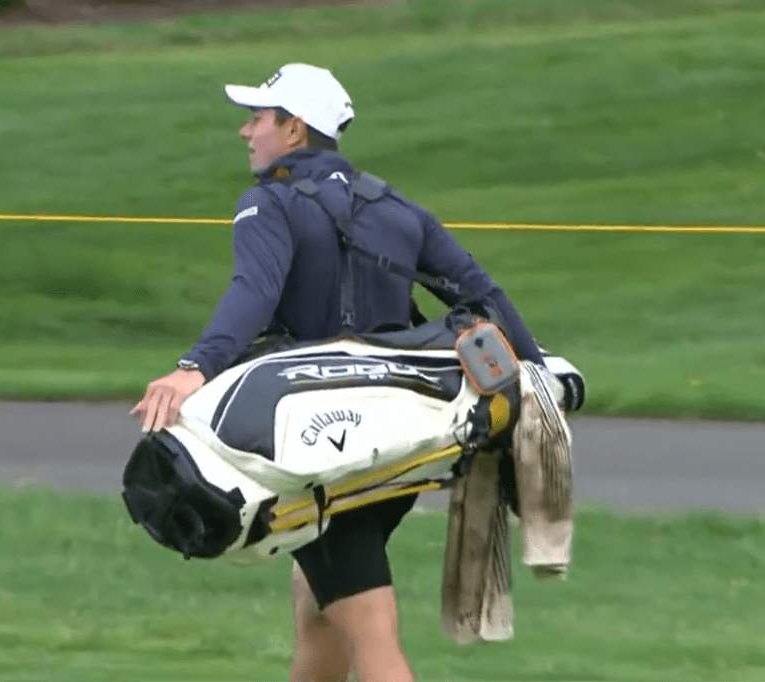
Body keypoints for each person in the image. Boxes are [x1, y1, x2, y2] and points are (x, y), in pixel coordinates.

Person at [132, 62, 549, 682]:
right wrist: (539, 377)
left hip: (317, 446)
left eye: (258, 119)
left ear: (294, 130)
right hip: (401, 439)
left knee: (370, 629)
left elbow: (254, 290)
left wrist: (195, 367)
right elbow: (482, 293)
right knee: (321, 612)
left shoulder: (268, 203)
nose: (246, 132)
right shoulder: (399, 209)